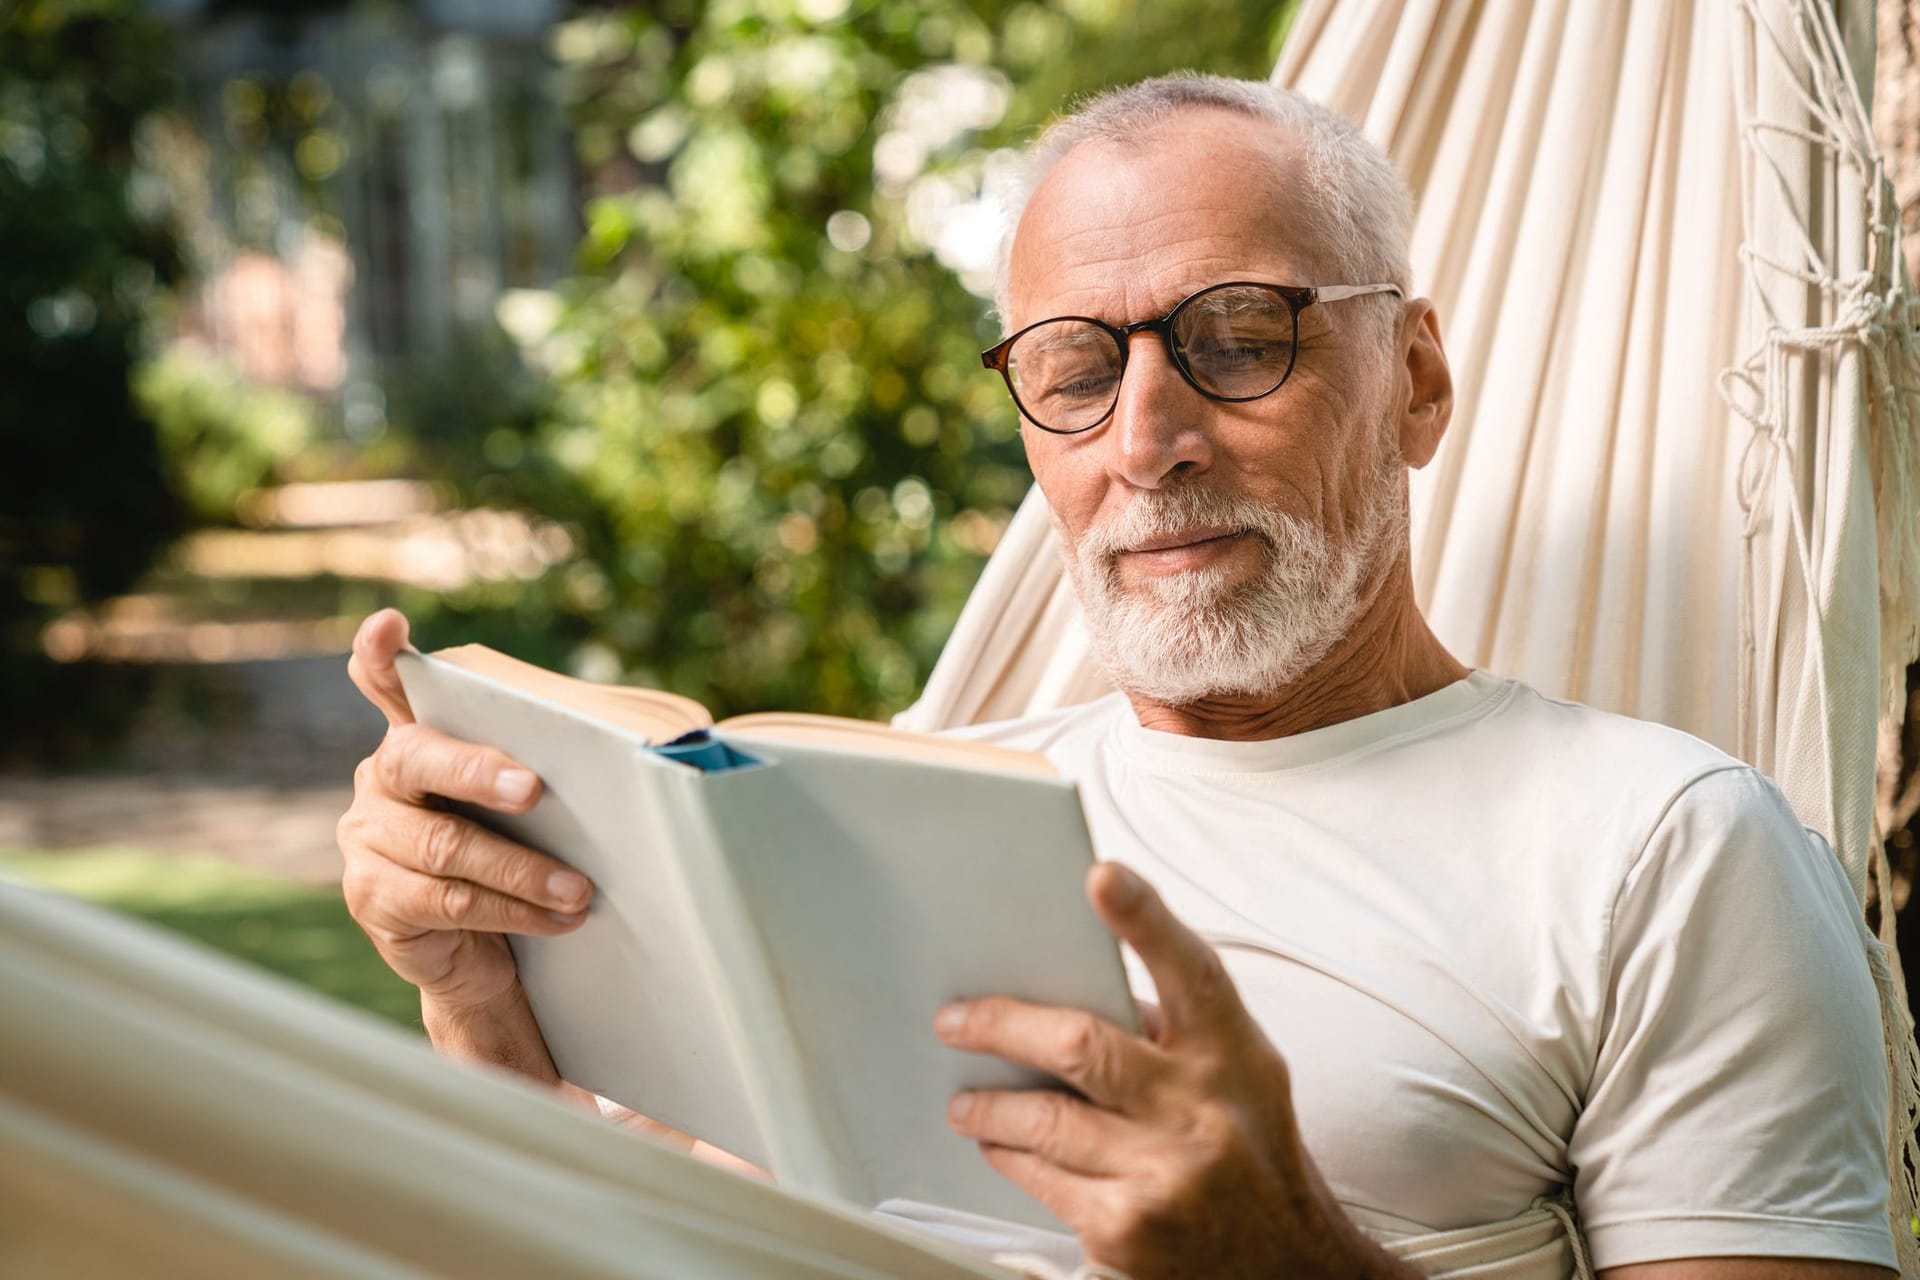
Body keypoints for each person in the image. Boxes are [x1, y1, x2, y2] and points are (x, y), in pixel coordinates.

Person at [336, 74, 1899, 1279]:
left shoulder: (1664, 847)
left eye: (1238, 338)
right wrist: (478, 999)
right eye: (1078, 371)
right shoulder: (922, 797)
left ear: (1415, 378)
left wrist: (1283, 1263)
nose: (1148, 440)